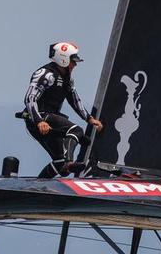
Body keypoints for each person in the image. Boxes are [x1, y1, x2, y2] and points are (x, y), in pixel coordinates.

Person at [20, 42, 103, 178]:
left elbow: (74, 99)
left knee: (59, 163)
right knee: (76, 131)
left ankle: (37, 186)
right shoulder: (46, 74)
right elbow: (29, 99)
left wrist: (89, 119)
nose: (75, 65)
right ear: (63, 59)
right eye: (73, 61)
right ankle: (69, 162)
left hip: (48, 119)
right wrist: (39, 121)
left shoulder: (67, 78)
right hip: (39, 118)